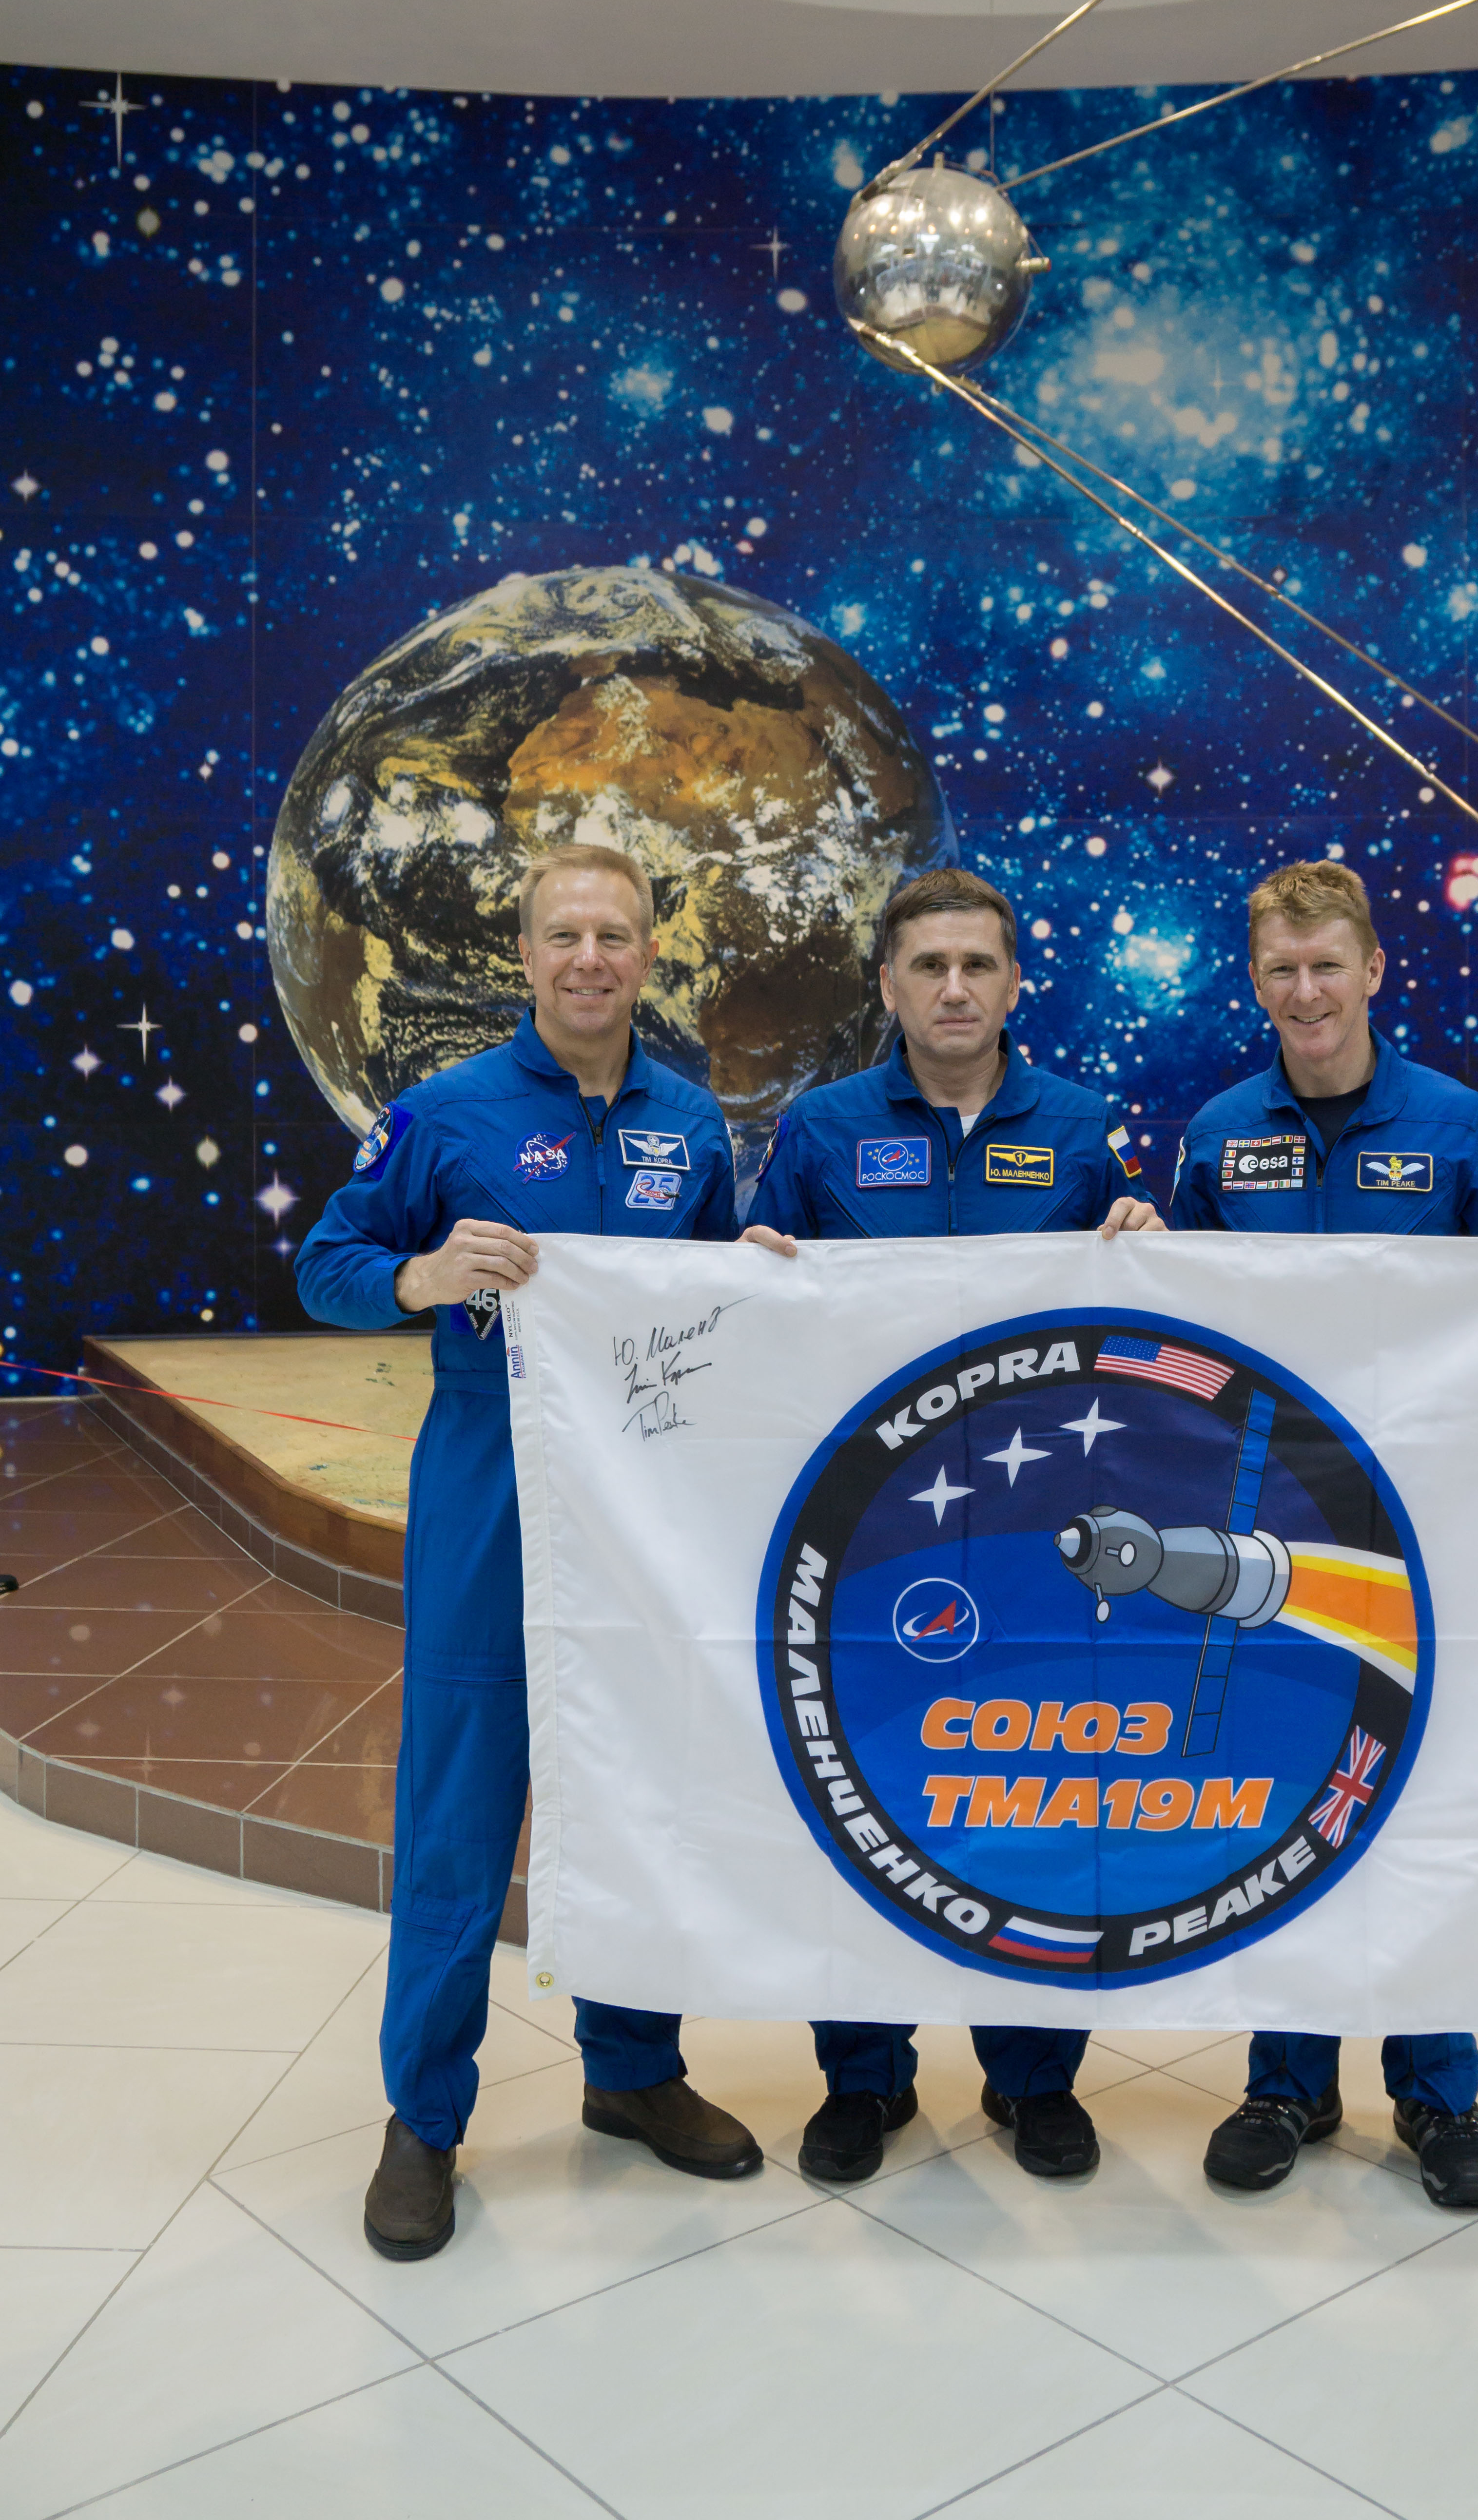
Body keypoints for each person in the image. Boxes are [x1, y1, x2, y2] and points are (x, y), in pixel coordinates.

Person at [295, 846, 763, 2263]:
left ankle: (631, 2068)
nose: (590, 961)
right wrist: (419, 1278)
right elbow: (327, 1262)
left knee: (638, 1795)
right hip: (489, 1502)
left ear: (646, 955)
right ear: (527, 954)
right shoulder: (442, 1118)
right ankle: (424, 2119)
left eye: (615, 936)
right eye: (565, 936)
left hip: (644, 1512)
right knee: (459, 1811)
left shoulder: (693, 1124)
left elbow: (712, 1298)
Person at [1170, 858, 1478, 2213]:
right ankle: (1287, 2080)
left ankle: (1439, 2098)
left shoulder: (1452, 1126)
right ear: (1255, 982)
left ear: (1377, 970)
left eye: (1329, 965)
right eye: (1282, 970)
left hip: (1432, 1542)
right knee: (1286, 1793)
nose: (1307, 992)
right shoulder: (1217, 1134)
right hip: (1277, 1538)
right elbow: (1175, 1313)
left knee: (1423, 1801)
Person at [743, 865, 1166, 2187]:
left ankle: (1034, 2078)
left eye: (978, 965)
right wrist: (750, 1270)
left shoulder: (1084, 1126)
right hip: (869, 1545)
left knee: (1035, 1796)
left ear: (1016, 980)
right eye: (927, 967)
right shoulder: (818, 1132)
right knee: (860, 1799)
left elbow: (1156, 1321)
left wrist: (1152, 1241)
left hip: (1043, 1543)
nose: (954, 989)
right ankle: (863, 2080)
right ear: (888, 986)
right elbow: (749, 1323)